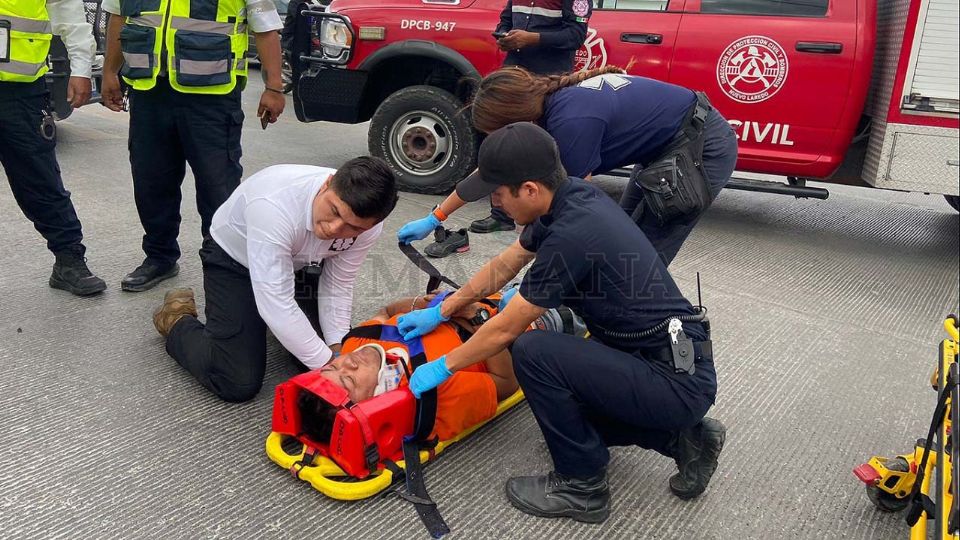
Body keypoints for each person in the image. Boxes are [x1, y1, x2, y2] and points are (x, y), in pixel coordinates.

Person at [396, 123, 724, 523]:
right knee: (573, 417)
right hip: (662, 360)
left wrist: (442, 367)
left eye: (499, 195)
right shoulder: (569, 197)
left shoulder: (574, 232)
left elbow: (505, 329)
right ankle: (684, 440)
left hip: (674, 378)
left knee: (533, 351)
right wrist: (442, 310)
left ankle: (581, 486)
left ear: (530, 189)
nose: (496, 205)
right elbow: (506, 263)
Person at [399, 65, 738, 265]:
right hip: (665, 148)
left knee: (641, 256)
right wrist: (436, 216)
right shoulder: (544, 106)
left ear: (515, 120)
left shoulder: (571, 123)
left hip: (700, 147)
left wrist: (531, 278)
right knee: (619, 237)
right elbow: (492, 168)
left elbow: (572, 212)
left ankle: (633, 335)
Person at [150, 159, 398, 403]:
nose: (334, 229)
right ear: (327, 184)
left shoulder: (368, 224)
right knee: (236, 380)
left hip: (299, 262)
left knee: (324, 352)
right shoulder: (274, 205)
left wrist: (337, 346)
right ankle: (176, 320)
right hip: (235, 261)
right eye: (334, 211)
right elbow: (277, 303)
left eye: (351, 227)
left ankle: (264, 327)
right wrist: (328, 364)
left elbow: (339, 282)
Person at [100, 0, 287, 292]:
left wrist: (273, 86)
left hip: (212, 96)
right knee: (151, 182)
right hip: (150, 93)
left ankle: (223, 263)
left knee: (218, 188)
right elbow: (118, 18)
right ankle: (159, 256)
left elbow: (266, 28)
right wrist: (110, 72)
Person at [452, 0, 592, 242]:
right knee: (500, 139)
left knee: (539, 146)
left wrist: (532, 39)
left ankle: (541, 214)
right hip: (514, 74)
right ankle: (501, 213)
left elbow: (575, 35)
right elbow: (506, 17)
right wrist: (503, 34)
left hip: (548, 78)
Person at [1, 0, 106, 296]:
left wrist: (81, 68)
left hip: (18, 92)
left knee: (40, 181)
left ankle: (69, 259)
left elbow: (71, 15)